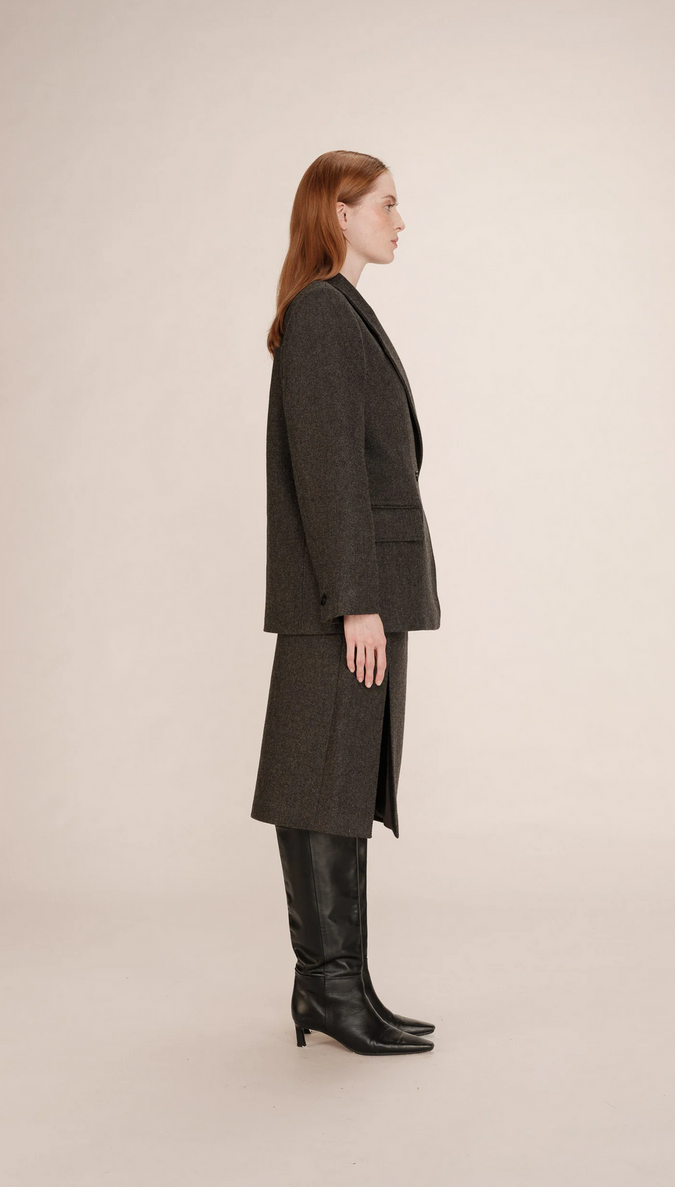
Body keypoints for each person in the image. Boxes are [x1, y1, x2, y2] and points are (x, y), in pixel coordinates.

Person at [251, 150, 441, 1055]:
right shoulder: (324, 315)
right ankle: (328, 990)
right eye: (387, 204)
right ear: (340, 212)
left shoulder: (336, 311)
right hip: (342, 601)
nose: (400, 221)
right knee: (322, 784)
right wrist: (356, 602)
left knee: (336, 782)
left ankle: (338, 986)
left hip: (351, 592)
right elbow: (329, 473)